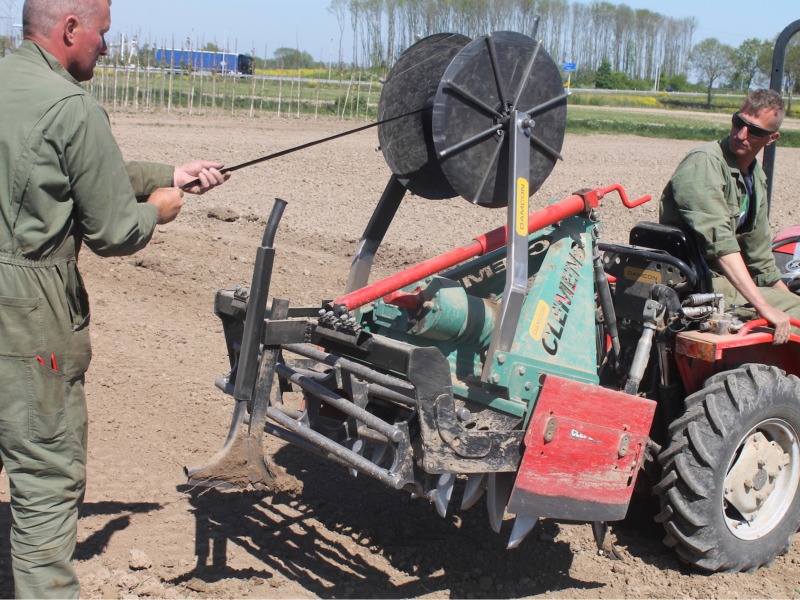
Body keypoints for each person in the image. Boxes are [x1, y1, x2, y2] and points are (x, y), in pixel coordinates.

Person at [0, 0, 230, 597]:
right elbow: (112, 231)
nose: (107, 45)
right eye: (102, 33)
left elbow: (64, 170)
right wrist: (159, 209)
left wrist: (168, 172)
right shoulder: (73, 107)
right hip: (25, 314)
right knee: (46, 478)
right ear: (70, 29)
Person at [659, 88, 799, 345]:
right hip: (691, 281)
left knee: (795, 307)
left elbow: (760, 260)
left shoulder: (755, 177)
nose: (741, 134)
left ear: (772, 138)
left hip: (719, 281)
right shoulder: (705, 162)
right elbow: (720, 243)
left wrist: (788, 302)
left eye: (754, 131)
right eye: (739, 122)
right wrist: (766, 307)